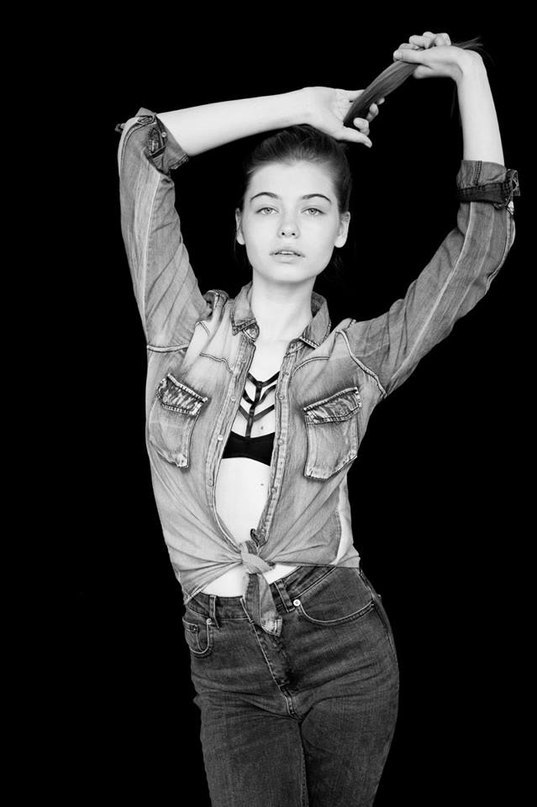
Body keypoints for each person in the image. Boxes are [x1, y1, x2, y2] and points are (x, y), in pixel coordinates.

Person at [116, 31, 518, 807]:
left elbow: (479, 247)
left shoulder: (360, 356)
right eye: (267, 208)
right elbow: (144, 147)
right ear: (239, 225)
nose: (288, 227)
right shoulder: (176, 327)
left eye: (312, 209)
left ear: (339, 229)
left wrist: (469, 74)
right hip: (225, 655)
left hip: (340, 641)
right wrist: (300, 104)